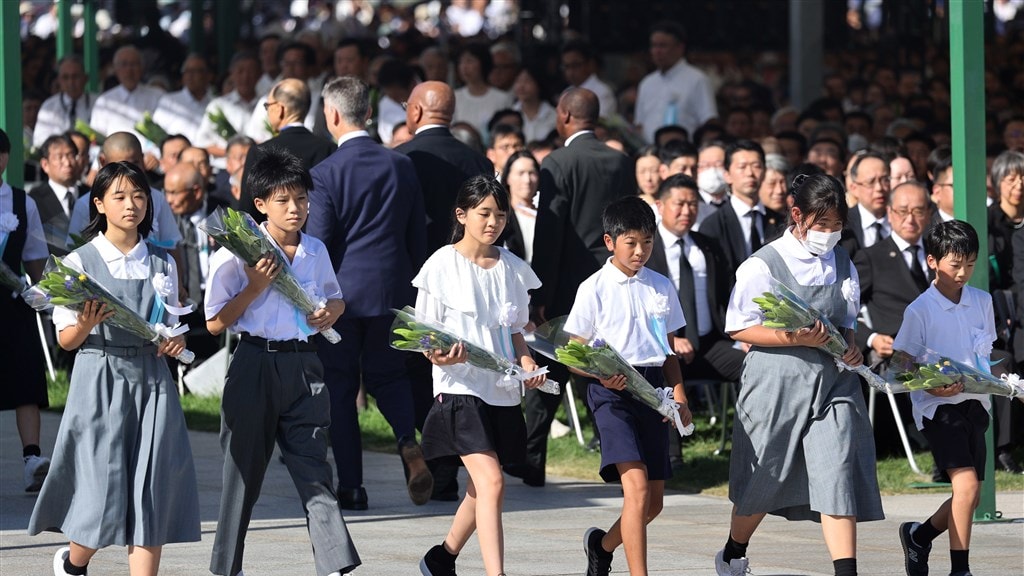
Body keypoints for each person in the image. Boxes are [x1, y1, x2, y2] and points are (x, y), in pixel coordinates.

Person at [28, 160, 200, 576]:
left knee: (151, 490)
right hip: (98, 378)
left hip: (154, 384)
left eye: (139, 196)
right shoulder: (77, 263)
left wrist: (177, 339)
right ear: (99, 204)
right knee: (100, 491)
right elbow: (67, 339)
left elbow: (174, 325)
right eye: (120, 197)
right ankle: (73, 563)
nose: (131, 205)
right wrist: (85, 323)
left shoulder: (163, 263)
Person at [716, 173, 883, 576]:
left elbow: (847, 320)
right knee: (764, 477)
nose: (829, 234)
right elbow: (738, 327)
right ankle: (734, 548)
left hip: (834, 381)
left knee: (838, 468)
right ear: (797, 215)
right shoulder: (763, 264)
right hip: (776, 381)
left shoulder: (844, 260)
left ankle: (847, 571)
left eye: (836, 226)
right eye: (822, 225)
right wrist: (791, 335)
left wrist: (851, 343)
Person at [204, 147, 360, 576]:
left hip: (305, 367)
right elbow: (215, 323)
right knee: (242, 474)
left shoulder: (316, 250)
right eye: (283, 201)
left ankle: (335, 564)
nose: (296, 209)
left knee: (315, 468)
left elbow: (336, 297)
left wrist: (332, 312)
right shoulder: (237, 251)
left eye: (302, 200)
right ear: (260, 205)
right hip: (254, 363)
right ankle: (225, 568)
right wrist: (254, 286)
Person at [308, 76, 432, 511]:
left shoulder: (325, 173)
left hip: (341, 294)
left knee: (341, 387)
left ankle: (352, 487)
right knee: (390, 376)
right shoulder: (401, 165)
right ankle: (406, 441)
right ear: (370, 113)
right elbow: (417, 234)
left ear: (334, 115)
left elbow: (318, 241)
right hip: (392, 289)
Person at [414, 175, 546, 576]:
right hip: (459, 389)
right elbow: (422, 338)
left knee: (482, 485)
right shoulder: (440, 265)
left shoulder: (513, 269)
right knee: (491, 482)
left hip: (502, 392)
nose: (493, 222)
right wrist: (441, 358)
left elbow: (517, 332)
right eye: (484, 213)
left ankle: (443, 558)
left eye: (500, 215)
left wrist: (526, 365)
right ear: (462, 214)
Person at [566, 196, 691, 576]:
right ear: (610, 242)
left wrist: (680, 395)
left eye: (648, 243)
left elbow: (668, 350)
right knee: (635, 490)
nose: (640, 251)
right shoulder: (594, 287)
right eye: (631, 243)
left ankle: (601, 548)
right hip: (611, 392)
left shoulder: (661, 286)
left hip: (653, 391)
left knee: (653, 503)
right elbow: (573, 353)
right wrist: (600, 376)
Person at [527, 87, 633, 484]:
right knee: (606, 369)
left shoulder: (558, 161)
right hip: (612, 277)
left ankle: (532, 459)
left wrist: (539, 293)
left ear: (565, 115)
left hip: (568, 283)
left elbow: (550, 231)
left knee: (548, 369)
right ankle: (618, 456)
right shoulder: (620, 161)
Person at [893, 220, 997, 576]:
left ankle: (919, 536)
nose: (963, 272)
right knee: (965, 485)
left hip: (976, 404)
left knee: (971, 495)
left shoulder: (983, 302)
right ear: (933, 261)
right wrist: (931, 386)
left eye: (969, 263)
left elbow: (985, 354)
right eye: (955, 264)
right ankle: (960, 570)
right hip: (938, 409)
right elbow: (900, 365)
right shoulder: (920, 310)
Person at [853, 181, 933, 455]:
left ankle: (1002, 448)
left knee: (998, 362)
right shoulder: (871, 258)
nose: (910, 219)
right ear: (889, 213)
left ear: (929, 214)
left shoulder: (940, 256)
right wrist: (872, 338)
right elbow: (845, 312)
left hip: (941, 345)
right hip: (897, 353)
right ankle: (936, 445)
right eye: (902, 211)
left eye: (918, 211)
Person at [0, 128, 51, 492]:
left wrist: (44, 293)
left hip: (13, 303)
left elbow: (35, 259)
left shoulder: (21, 201)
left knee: (25, 380)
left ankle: (32, 457)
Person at [241, 78, 334, 222]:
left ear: (280, 109)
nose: (267, 112)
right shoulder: (329, 149)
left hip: (272, 241)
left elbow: (247, 214)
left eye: (268, 106)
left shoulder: (259, 153)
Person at [698, 140, 786, 282]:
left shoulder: (781, 222)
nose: (750, 173)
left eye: (756, 166)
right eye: (742, 167)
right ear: (727, 175)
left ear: (764, 171)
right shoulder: (713, 225)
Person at [634, 21, 717, 143]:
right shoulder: (647, 83)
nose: (657, 51)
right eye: (654, 46)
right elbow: (639, 124)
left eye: (663, 46)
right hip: (650, 153)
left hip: (685, 152)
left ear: (680, 48)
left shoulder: (697, 79)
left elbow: (709, 121)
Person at [89, 46, 165, 170]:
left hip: (151, 166)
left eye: (134, 64)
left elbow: (165, 135)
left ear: (142, 68)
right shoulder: (105, 101)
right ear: (116, 69)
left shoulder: (158, 96)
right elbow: (96, 140)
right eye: (124, 64)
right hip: (115, 167)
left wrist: (156, 154)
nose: (129, 70)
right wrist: (95, 167)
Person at [194, 52, 261, 168]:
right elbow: (201, 143)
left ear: (259, 74)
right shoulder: (218, 105)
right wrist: (234, 154)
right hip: (225, 169)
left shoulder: (267, 103)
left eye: (251, 71)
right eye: (240, 71)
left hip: (259, 169)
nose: (245, 77)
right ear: (232, 74)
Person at [29, 134, 86, 254]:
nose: (67, 163)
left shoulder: (91, 194)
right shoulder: (34, 200)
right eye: (59, 157)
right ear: (45, 164)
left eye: (71, 155)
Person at [451, 44, 515, 140]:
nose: (464, 66)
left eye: (470, 61)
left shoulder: (502, 98)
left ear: (483, 63)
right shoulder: (454, 97)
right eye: (461, 62)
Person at [33, 55, 95, 149]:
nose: (71, 82)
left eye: (75, 76)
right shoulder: (49, 106)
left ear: (85, 78)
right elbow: (39, 141)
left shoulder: (98, 103)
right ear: (58, 80)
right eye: (65, 77)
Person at [839, 151, 891, 259]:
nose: (879, 188)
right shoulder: (843, 225)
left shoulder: (904, 220)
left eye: (884, 180)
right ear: (854, 188)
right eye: (870, 182)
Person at [151, 54, 213, 144]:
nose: (190, 76)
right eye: (187, 71)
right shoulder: (169, 101)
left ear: (208, 75)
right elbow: (156, 135)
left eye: (196, 71)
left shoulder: (215, 103)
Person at [560, 40, 617, 119]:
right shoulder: (566, 93)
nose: (570, 72)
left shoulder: (602, 92)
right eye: (567, 66)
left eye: (575, 65)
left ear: (590, 64)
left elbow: (602, 124)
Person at [512, 66, 556, 143]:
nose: (521, 86)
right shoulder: (511, 114)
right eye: (517, 81)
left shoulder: (553, 115)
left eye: (527, 81)